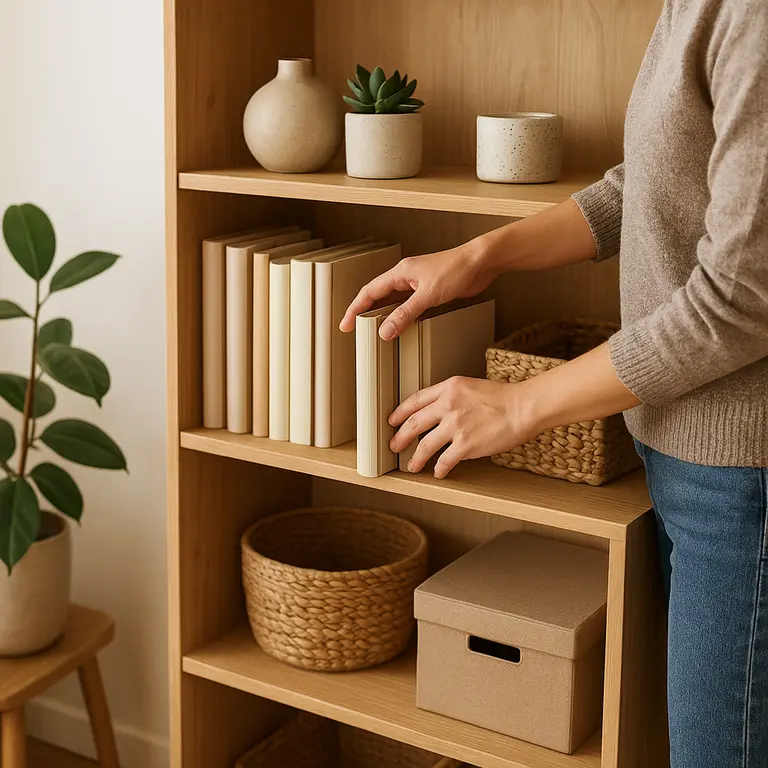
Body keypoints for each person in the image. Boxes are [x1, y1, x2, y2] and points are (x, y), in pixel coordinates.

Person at [340, 2, 768, 765]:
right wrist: (478, 257)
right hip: (679, 450)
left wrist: (520, 407)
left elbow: (739, 300)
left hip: (740, 476)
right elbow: (651, 184)